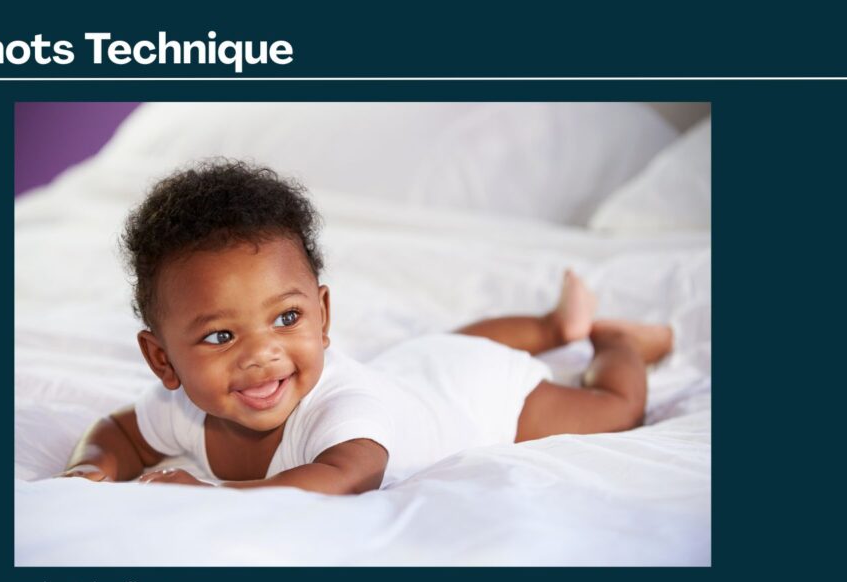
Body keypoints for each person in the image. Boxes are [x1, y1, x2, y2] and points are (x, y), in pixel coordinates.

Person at [60, 160, 672, 494]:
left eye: (287, 317)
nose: (263, 354)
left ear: (324, 316)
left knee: (613, 409)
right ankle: (550, 324)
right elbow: (118, 432)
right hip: (421, 366)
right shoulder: (183, 410)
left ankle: (613, 340)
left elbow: (344, 475)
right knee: (453, 346)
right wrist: (93, 466)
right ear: (162, 360)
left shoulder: (346, 410)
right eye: (221, 336)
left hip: (480, 400)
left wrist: (215, 496)